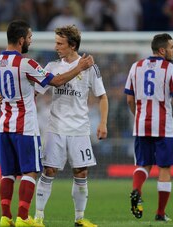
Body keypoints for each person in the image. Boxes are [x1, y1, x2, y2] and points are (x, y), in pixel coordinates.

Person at [0, 20, 94, 227]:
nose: (30, 41)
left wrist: (4, 98)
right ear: (21, 40)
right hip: (25, 127)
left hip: (4, 126)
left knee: (8, 173)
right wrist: (80, 67)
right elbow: (56, 81)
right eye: (29, 38)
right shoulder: (26, 63)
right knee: (30, 172)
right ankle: (23, 217)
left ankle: (5, 217)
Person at [33, 25, 108, 227]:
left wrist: (102, 122)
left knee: (81, 173)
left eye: (60, 43)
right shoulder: (51, 67)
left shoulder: (91, 67)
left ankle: (79, 218)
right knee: (49, 171)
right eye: (56, 42)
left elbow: (102, 96)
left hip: (80, 130)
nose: (56, 47)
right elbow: (35, 93)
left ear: (72, 45)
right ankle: (38, 218)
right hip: (55, 127)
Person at [124, 33, 173, 222]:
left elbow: (129, 99)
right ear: (162, 50)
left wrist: (138, 116)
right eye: (172, 47)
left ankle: (136, 190)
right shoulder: (170, 69)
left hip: (141, 124)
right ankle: (160, 213)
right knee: (164, 168)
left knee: (143, 164)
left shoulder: (135, 66)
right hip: (163, 127)